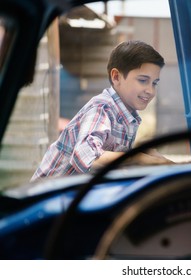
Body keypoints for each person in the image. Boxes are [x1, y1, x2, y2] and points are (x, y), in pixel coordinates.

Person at [31, 40, 172, 181]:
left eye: (154, 83)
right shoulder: (102, 108)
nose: (150, 90)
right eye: (142, 80)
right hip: (48, 197)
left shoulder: (128, 117)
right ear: (116, 77)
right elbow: (87, 157)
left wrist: (170, 164)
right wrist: (139, 158)